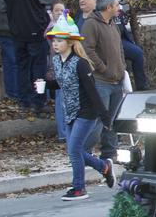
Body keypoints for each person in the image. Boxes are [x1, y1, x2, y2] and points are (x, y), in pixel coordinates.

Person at [43, 15, 115, 201]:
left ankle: (79, 188)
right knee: (76, 150)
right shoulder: (57, 61)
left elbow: (91, 90)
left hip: (87, 111)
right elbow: (62, 84)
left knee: (74, 150)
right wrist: (46, 85)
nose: (55, 44)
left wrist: (104, 115)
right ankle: (104, 167)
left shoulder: (81, 63)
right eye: (54, 41)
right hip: (69, 111)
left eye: (59, 41)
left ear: (71, 42)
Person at [1, 0, 64, 110]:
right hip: (36, 32)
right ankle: (38, 101)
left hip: (16, 33)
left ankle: (24, 100)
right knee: (39, 70)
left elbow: (2, 7)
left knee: (22, 68)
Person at [82, 0, 127, 162]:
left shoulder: (112, 24)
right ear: (108, 7)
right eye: (116, 5)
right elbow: (87, 49)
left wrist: (122, 67)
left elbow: (119, 48)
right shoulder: (91, 24)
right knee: (98, 120)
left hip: (117, 80)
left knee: (112, 120)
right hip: (101, 81)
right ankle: (84, 152)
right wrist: (103, 68)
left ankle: (110, 153)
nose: (119, 8)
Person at [45, 2, 70, 141]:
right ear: (52, 13)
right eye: (56, 10)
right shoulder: (54, 29)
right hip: (59, 67)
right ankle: (63, 134)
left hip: (64, 66)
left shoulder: (67, 27)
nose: (60, 13)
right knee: (61, 102)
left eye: (62, 10)